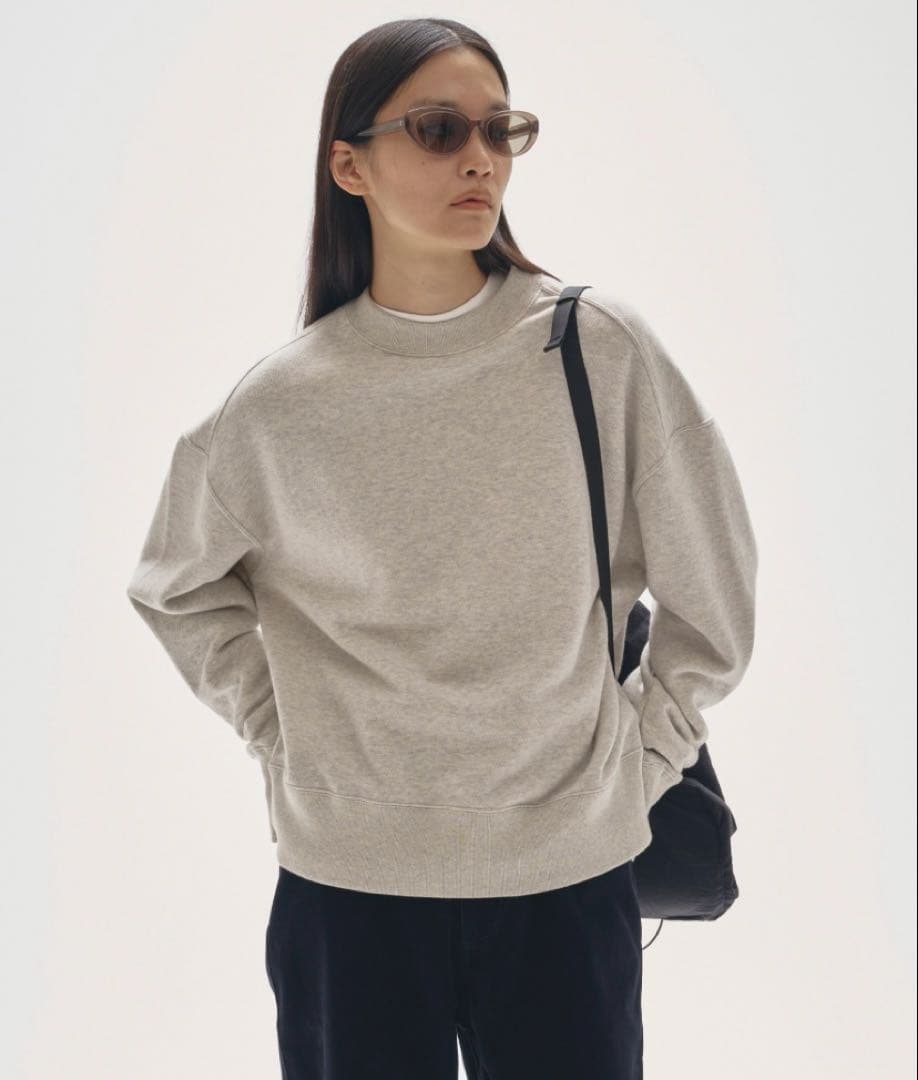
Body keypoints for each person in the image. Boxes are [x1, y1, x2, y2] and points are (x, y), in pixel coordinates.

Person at [125, 17, 758, 1080]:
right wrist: (287, 740)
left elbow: (717, 603)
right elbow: (174, 590)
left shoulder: (598, 351)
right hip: (348, 893)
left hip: (565, 885)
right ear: (349, 165)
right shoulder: (277, 408)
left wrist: (636, 767)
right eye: (437, 129)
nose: (479, 158)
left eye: (500, 130)